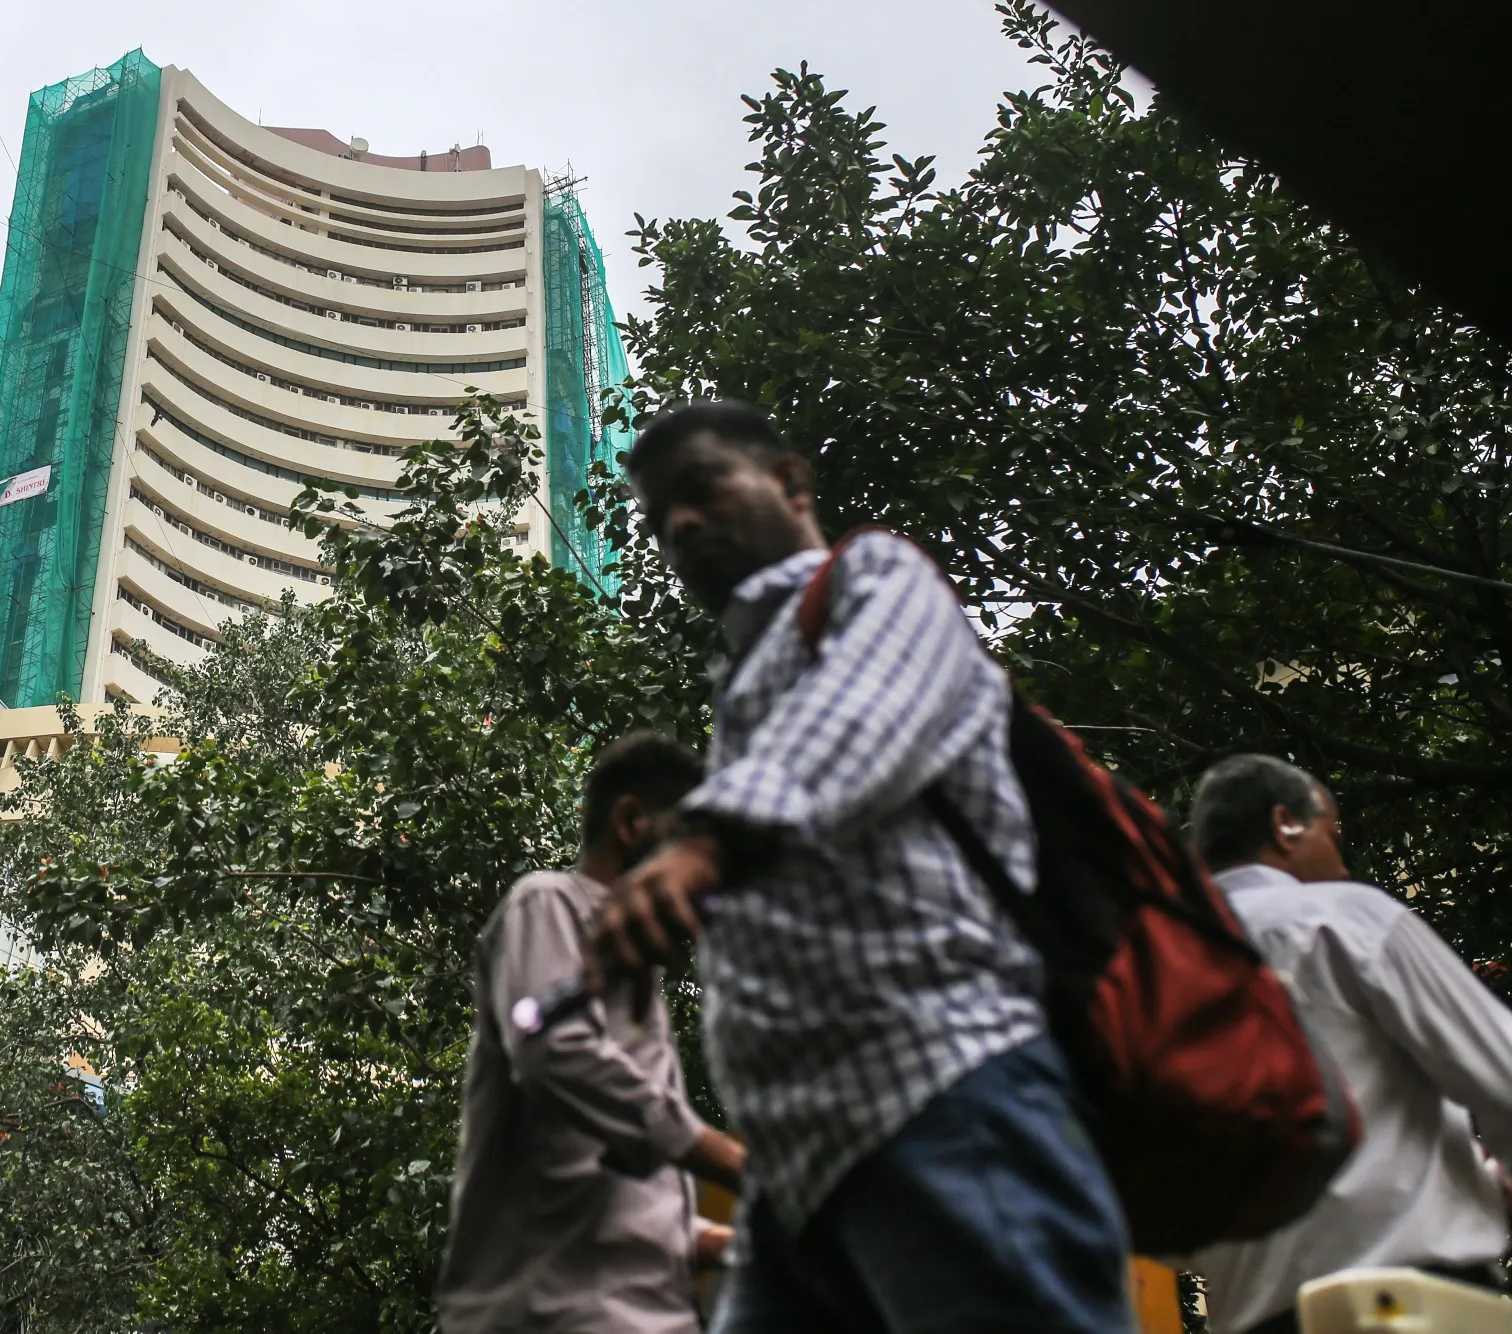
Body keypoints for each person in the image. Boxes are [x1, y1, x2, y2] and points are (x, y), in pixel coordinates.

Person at [588, 401, 1133, 1333]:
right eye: (656, 520)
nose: (678, 528)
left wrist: (703, 843)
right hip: (800, 1167)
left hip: (941, 1093)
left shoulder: (877, 578)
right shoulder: (749, 680)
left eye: (700, 490)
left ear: (794, 483)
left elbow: (860, 719)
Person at [1178, 754, 1512, 1334]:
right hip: (1405, 1302)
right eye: (1333, 834)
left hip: (1251, 1316)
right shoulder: (1341, 916)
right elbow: (1503, 1071)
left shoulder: (1149, 973)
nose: (1339, 862)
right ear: (1285, 823)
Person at [439, 731, 747, 1334]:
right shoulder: (549, 904)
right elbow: (556, 1053)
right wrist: (738, 1166)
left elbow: (621, 1199)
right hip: (554, 1311)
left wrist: (730, 1242)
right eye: (691, 857)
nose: (703, 890)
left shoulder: (646, 992)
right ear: (631, 822)